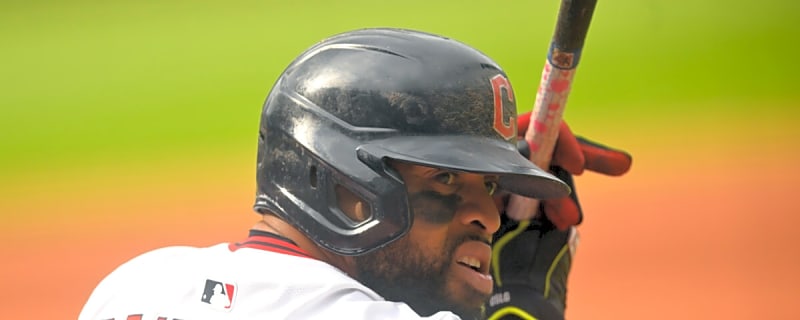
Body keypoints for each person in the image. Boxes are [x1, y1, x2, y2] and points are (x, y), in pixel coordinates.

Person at [79, 28, 631, 320]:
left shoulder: (134, 284)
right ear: (344, 188)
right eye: (446, 181)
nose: (489, 215)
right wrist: (525, 307)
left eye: (489, 186)